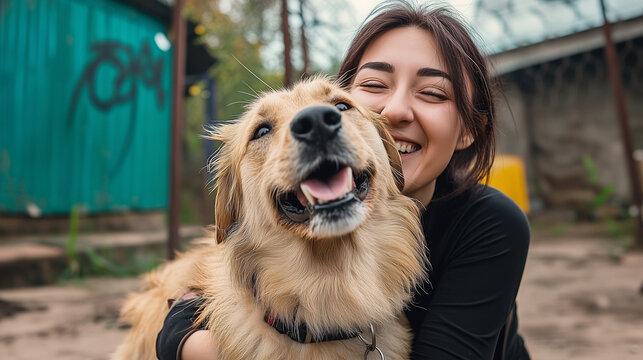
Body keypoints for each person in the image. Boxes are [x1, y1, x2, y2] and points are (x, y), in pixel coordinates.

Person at [156, 1, 531, 359]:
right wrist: (180, 333)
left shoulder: (492, 224)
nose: (395, 110)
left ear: (468, 131)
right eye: (373, 85)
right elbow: (183, 313)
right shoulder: (233, 262)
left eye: (433, 93)